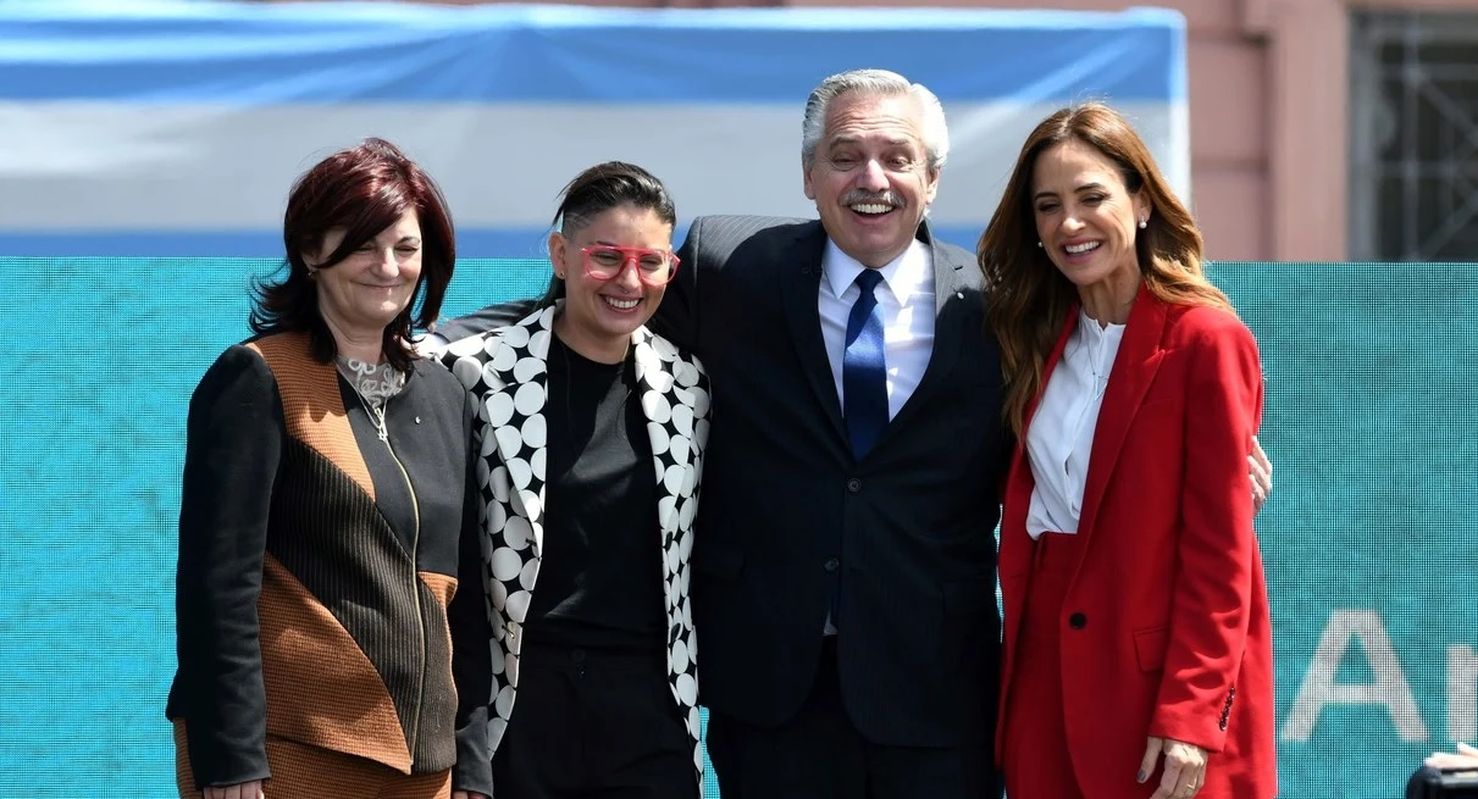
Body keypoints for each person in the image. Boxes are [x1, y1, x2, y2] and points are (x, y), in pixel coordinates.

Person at [435, 69, 1271, 799]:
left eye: (897, 158)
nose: (872, 178)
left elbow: (1098, 426)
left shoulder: (1003, 306)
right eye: (845, 156)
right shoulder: (731, 266)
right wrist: (418, 345)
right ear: (808, 175)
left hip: (939, 694)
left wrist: (1217, 467)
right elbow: (593, 314)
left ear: (934, 179)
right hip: (771, 695)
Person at [166, 138, 491, 799]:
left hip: (424, 768)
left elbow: (471, 599)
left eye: (406, 247)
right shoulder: (256, 377)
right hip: (289, 754)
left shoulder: (447, 392)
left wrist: (472, 764)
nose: (387, 266)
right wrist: (229, 756)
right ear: (312, 251)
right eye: (362, 244)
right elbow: (216, 587)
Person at [977, 102, 1277, 799]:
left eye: (1092, 197)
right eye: (1048, 206)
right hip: (1041, 681)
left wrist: (1194, 713)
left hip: (1155, 695)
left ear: (1141, 200)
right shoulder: (1033, 338)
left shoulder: (1206, 338)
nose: (1069, 224)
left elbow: (1219, 554)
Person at [429, 162, 709, 798]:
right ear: (560, 253)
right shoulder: (474, 373)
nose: (628, 281)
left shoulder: (688, 387)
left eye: (650, 261)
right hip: (518, 707)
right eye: (605, 257)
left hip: (650, 713)